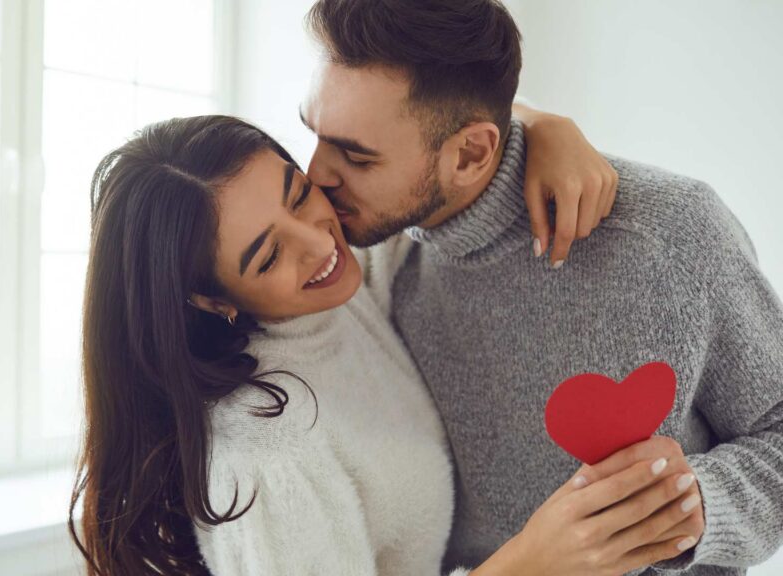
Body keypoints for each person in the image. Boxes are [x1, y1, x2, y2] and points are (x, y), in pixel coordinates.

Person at [68, 115, 702, 576]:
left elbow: (437, 127)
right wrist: (532, 562)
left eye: (297, 193)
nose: (320, 243)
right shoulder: (263, 456)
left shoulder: (341, 293)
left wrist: (548, 131)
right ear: (210, 300)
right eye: (268, 255)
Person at [300, 0, 783, 574]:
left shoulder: (674, 233)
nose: (314, 176)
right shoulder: (371, 262)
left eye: (355, 156)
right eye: (316, 134)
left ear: (472, 153)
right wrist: (542, 120)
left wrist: (694, 506)